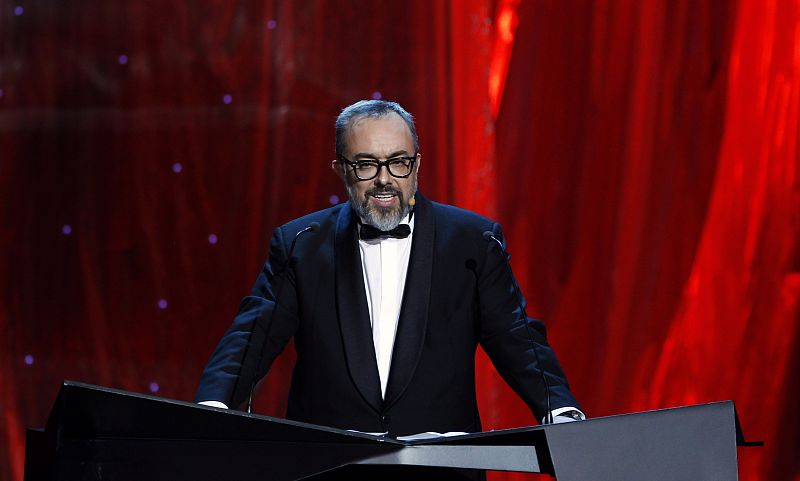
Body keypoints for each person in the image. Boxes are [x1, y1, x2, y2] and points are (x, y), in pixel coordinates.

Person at [195, 100, 583, 437]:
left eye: (398, 162)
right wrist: (213, 407)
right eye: (366, 164)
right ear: (341, 169)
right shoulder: (301, 244)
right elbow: (250, 338)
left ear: (417, 164)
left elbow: (516, 338)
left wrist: (560, 411)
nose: (385, 180)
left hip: (440, 470)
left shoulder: (473, 242)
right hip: (331, 466)